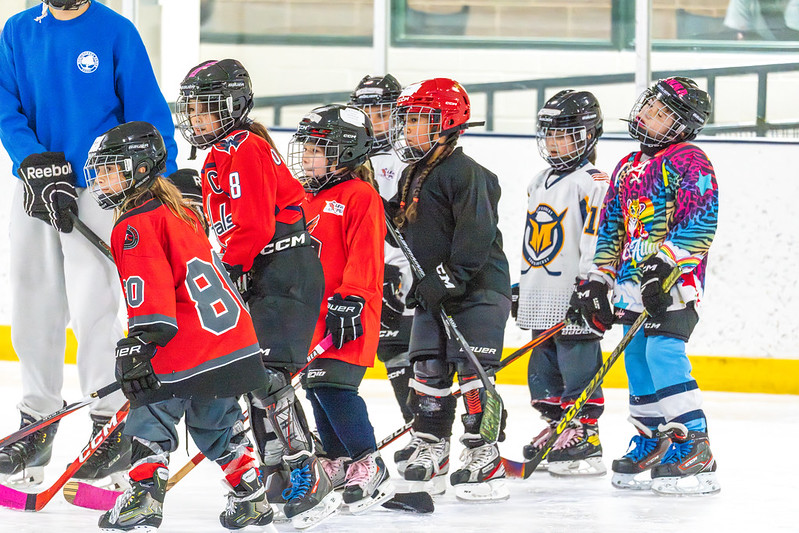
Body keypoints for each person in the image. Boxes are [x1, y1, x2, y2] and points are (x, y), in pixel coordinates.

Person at [0, 0, 178, 487]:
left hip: (103, 188)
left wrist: (150, 178)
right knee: (33, 300)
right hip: (38, 185)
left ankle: (110, 422)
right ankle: (36, 423)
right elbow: (4, 104)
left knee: (95, 303)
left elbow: (150, 117)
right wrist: (33, 161)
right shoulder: (18, 31)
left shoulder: (116, 31)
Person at [175, 59, 340, 528]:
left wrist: (226, 269)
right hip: (258, 273)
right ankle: (277, 471)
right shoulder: (214, 157)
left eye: (205, 108)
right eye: (193, 109)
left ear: (232, 105)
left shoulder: (247, 148)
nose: (197, 118)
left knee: (268, 374)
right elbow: (226, 231)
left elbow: (252, 226)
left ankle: (307, 470)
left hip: (285, 269)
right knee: (252, 374)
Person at [83, 121, 271, 531]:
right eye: (99, 170)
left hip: (186, 343)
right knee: (218, 424)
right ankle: (252, 497)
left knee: (151, 412)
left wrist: (140, 346)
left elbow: (151, 295)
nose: (101, 179)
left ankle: (143, 500)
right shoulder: (180, 210)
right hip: (232, 341)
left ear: (140, 169)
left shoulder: (134, 222)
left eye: (112, 168)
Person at [568, 76, 721, 496]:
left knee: (663, 350)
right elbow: (612, 227)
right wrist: (598, 277)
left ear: (681, 125)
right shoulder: (627, 164)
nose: (646, 115)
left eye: (660, 113)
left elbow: (701, 223)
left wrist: (663, 265)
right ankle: (654, 439)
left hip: (675, 282)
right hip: (633, 284)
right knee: (636, 355)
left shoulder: (691, 161)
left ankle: (694, 443)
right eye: (648, 107)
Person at [387, 78, 511, 501]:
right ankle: (432, 446)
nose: (409, 128)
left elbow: (476, 236)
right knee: (428, 370)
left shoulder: (469, 173)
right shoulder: (412, 174)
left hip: (476, 288)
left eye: (420, 119)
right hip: (434, 288)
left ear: (447, 124)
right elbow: (406, 229)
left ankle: (483, 453)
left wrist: (447, 279)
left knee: (473, 372)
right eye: (408, 119)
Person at [287, 104, 394, 513]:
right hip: (312, 316)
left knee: (335, 386)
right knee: (316, 388)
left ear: (345, 152)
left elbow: (366, 255)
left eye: (317, 149)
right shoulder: (305, 198)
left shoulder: (360, 195)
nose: (308, 156)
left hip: (348, 311)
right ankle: (337, 460)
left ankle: (369, 460)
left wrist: (350, 298)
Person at [513, 90, 609, 477]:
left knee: (577, 357)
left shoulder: (593, 182)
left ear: (588, 135)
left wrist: (594, 282)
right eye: (549, 134)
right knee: (544, 362)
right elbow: (533, 239)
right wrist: (522, 283)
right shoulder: (540, 180)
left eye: (564, 134)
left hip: (577, 293)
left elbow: (598, 237)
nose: (554, 143)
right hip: (543, 292)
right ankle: (559, 425)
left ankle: (585, 434)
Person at [348, 74, 415, 430]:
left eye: (382, 111)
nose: (373, 119)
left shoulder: (405, 160)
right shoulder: (346, 159)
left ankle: (423, 429)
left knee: (399, 349)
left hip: (397, 276)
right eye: (365, 110)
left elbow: (407, 225)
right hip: (359, 275)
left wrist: (396, 275)